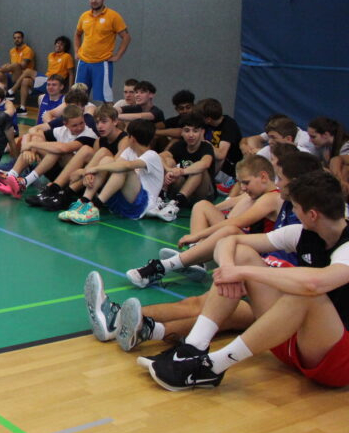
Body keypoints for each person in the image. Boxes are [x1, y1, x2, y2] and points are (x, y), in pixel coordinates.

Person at [86, 150, 323, 352]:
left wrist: (241, 270)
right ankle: (119, 321)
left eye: (281, 178)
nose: (277, 183)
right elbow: (237, 232)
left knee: (211, 311)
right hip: (262, 282)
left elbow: (309, 281)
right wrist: (232, 269)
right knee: (196, 304)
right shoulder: (289, 211)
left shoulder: (307, 223)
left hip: (278, 299)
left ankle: (140, 327)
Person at [145, 170, 349, 391]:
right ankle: (194, 347)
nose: (293, 212)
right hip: (295, 339)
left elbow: (315, 284)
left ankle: (212, 366)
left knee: (306, 295)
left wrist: (244, 273)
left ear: (313, 215)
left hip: (336, 361)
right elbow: (228, 240)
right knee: (241, 254)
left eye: (296, 207)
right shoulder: (301, 233)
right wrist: (229, 268)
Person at [127, 154, 283, 287]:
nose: (242, 187)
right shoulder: (257, 194)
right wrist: (212, 211)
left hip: (259, 251)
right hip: (245, 238)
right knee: (202, 205)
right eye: (240, 182)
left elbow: (237, 223)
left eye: (246, 182)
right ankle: (196, 258)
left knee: (230, 230)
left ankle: (165, 266)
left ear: (263, 177)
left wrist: (197, 235)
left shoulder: (270, 198)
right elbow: (230, 203)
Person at [57, 119, 162, 225]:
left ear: (132, 139)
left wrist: (93, 169)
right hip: (121, 201)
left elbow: (126, 166)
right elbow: (114, 166)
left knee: (123, 169)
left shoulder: (152, 155)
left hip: (140, 207)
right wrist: (89, 172)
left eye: (127, 135)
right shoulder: (129, 151)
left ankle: (94, 207)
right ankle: (84, 202)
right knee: (107, 160)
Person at [27, 102, 129, 211]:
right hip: (93, 182)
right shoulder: (99, 140)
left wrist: (85, 171)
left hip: (114, 185)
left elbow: (115, 166)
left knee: (103, 153)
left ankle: (65, 193)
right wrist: (87, 172)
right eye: (97, 122)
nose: (99, 126)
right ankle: (55, 189)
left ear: (115, 121)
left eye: (104, 122)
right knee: (86, 150)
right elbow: (93, 163)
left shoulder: (124, 140)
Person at [0, 104, 97, 199]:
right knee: (39, 140)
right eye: (75, 125)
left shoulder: (89, 133)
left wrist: (32, 145)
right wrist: (30, 150)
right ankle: (12, 175)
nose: (79, 127)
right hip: (58, 172)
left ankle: (24, 182)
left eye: (82, 123)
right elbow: (34, 133)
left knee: (56, 150)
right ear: (65, 124)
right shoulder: (61, 130)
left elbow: (64, 148)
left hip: (75, 177)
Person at [148, 112, 216, 221]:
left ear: (202, 132)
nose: (191, 135)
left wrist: (182, 172)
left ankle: (175, 204)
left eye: (195, 131)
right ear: (182, 132)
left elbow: (205, 163)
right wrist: (170, 170)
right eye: (187, 131)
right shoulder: (179, 145)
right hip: (181, 191)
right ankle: (161, 198)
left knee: (199, 169)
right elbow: (160, 156)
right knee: (169, 160)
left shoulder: (206, 147)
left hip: (201, 194)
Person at [73, 0, 130, 102]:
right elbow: (77, 34)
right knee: (77, 98)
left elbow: (126, 37)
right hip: (83, 63)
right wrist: (76, 51)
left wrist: (117, 56)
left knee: (103, 100)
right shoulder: (84, 16)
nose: (94, 1)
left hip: (101, 64)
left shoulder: (113, 16)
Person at [13, 36, 76, 114]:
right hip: (46, 80)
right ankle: (22, 108)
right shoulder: (50, 55)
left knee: (28, 71)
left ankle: (13, 90)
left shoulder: (67, 56)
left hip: (56, 81)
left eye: (61, 44)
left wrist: (70, 90)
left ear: (65, 47)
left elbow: (71, 74)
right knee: (25, 81)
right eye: (57, 43)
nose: (58, 45)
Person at [198, 98, 243, 194]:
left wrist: (205, 142)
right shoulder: (205, 124)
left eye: (200, 117)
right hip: (211, 162)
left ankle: (227, 182)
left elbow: (221, 154)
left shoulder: (229, 124)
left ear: (208, 119)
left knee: (217, 156)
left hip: (229, 167)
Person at [0, 31, 35, 104]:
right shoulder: (12, 51)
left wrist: (10, 66)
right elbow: (12, 66)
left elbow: (22, 66)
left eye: (18, 37)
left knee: (15, 65)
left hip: (21, 78)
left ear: (22, 38)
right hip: (11, 76)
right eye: (15, 38)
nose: (16, 39)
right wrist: (7, 66)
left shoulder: (28, 50)